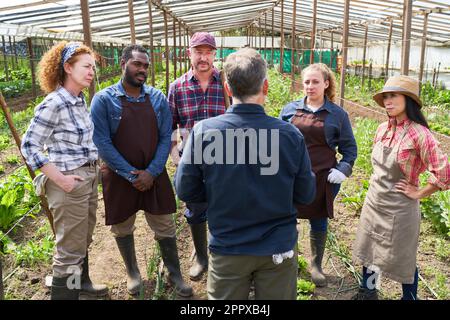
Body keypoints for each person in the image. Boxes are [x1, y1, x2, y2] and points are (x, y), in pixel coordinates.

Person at [175, 48, 316, 300]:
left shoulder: (205, 132)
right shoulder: (289, 135)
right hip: (277, 248)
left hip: (228, 246)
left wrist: (216, 194)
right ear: (266, 86)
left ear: (227, 88)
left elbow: (186, 189)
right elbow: (306, 194)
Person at [90, 45, 192, 297]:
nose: (142, 70)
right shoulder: (104, 100)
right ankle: (133, 273)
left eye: (146, 65)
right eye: (137, 64)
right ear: (124, 63)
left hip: (153, 176)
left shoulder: (157, 98)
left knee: (165, 224)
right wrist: (130, 174)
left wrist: (152, 172)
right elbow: (102, 143)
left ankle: (175, 273)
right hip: (119, 176)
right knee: (122, 227)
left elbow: (165, 137)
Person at [21, 41, 108, 299]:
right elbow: (29, 146)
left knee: (81, 241)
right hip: (69, 185)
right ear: (68, 67)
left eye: (93, 67)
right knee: (69, 251)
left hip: (87, 179)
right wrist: (61, 180)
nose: (92, 71)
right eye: (86, 66)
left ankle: (81, 285)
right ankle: (67, 294)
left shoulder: (78, 100)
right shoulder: (55, 103)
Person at [352, 75, 449, 300]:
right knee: (371, 253)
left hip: (399, 208)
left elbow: (444, 171)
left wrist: (419, 192)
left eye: (393, 95)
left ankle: (409, 298)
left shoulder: (420, 134)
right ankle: (369, 292)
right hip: (374, 201)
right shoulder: (382, 128)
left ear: (408, 99)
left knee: (404, 260)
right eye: (385, 96)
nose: (388, 101)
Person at [279, 63, 357, 287]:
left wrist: (342, 170)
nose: (310, 86)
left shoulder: (337, 114)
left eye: (315, 81)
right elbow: (278, 144)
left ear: (326, 83)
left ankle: (316, 265)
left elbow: (350, 149)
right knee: (287, 219)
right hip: (291, 177)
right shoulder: (289, 110)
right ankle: (290, 263)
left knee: (319, 219)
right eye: (306, 82)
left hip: (323, 177)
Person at [169, 32, 227, 281]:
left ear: (215, 54)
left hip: (225, 158)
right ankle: (201, 258)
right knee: (194, 209)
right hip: (191, 160)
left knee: (224, 206)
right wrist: (175, 154)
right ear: (189, 53)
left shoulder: (226, 83)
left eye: (208, 52)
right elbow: (170, 125)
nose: (203, 57)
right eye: (198, 52)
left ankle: (220, 256)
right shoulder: (177, 86)